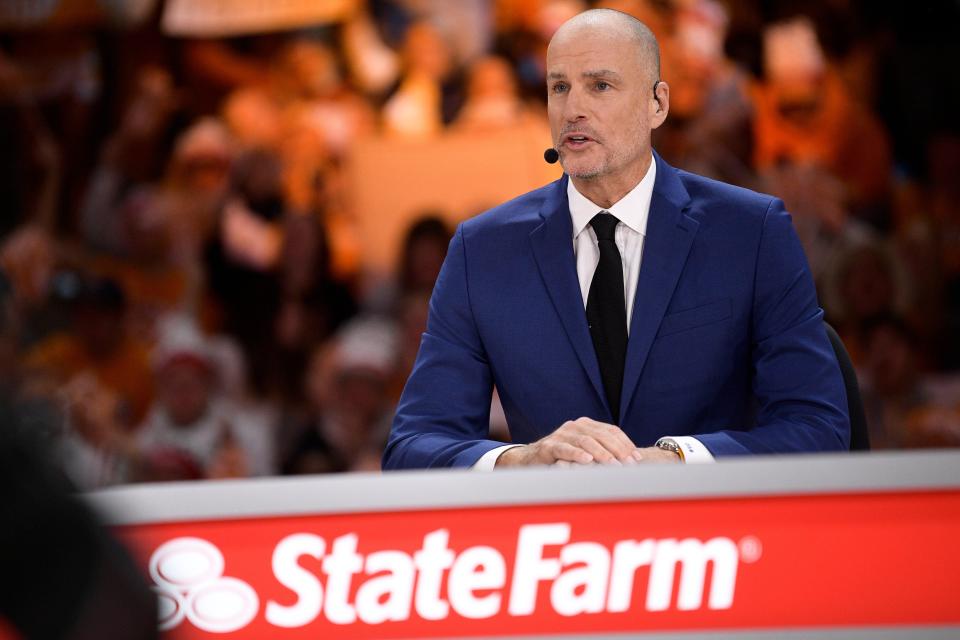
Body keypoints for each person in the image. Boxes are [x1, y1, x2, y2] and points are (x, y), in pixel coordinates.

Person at [382, 9, 849, 470]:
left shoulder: (751, 233)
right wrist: (522, 462)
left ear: (658, 104)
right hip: (559, 535)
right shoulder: (482, 251)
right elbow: (412, 446)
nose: (573, 109)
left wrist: (673, 460)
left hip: (710, 531)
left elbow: (817, 427)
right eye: (559, 87)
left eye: (600, 86)